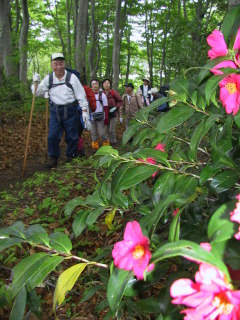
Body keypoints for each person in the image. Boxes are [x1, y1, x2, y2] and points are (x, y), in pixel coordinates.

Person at [32, 53, 89, 168]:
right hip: (55, 111)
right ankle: (53, 158)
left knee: (72, 136)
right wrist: (35, 83)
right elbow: (37, 93)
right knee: (53, 136)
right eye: (56, 64)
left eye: (61, 63)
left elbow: (81, 94)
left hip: (71, 110)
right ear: (52, 65)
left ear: (64, 64)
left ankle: (71, 156)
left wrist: (84, 110)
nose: (59, 67)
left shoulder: (72, 77)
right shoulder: (49, 78)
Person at [102, 78, 123, 147]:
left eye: (108, 83)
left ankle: (113, 143)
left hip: (114, 113)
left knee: (111, 130)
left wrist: (115, 107)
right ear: (103, 85)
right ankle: (108, 143)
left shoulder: (114, 93)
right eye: (105, 83)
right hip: (105, 114)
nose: (106, 85)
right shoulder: (101, 93)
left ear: (110, 84)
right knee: (106, 129)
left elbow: (120, 101)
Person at [90, 79, 109, 150]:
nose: (95, 85)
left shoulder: (102, 95)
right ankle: (95, 147)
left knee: (102, 133)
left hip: (101, 116)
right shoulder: (88, 95)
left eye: (96, 84)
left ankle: (106, 147)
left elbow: (106, 107)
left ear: (98, 85)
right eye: (93, 84)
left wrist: (106, 117)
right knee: (93, 133)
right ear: (91, 85)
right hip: (91, 117)